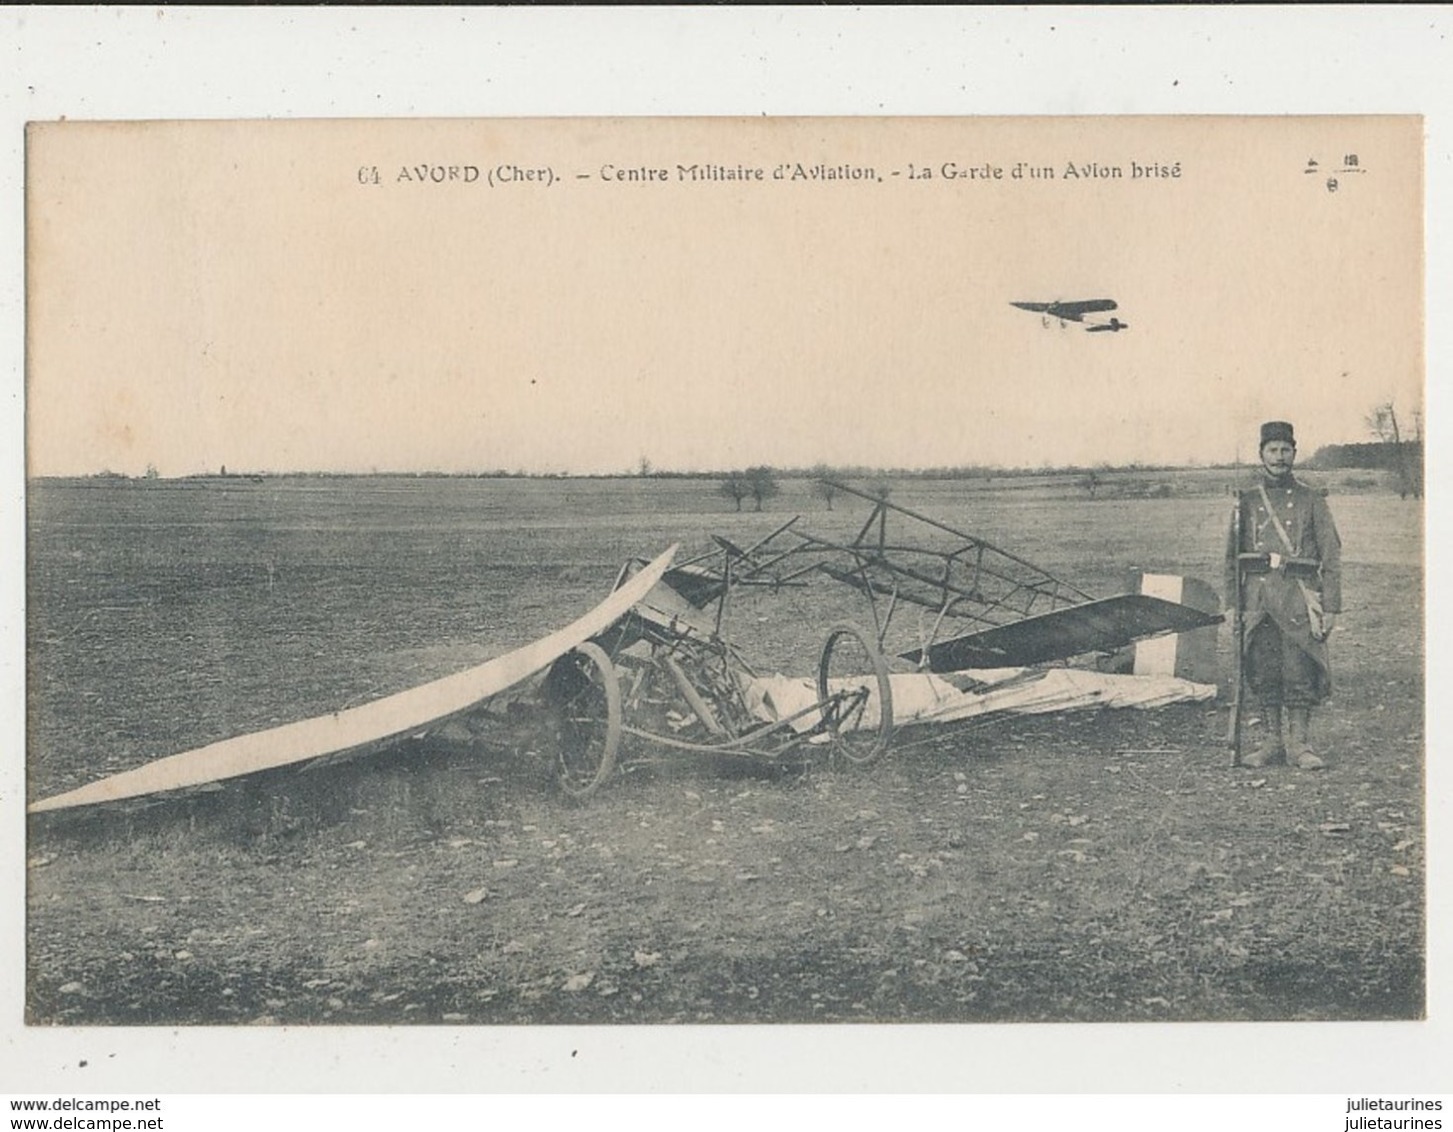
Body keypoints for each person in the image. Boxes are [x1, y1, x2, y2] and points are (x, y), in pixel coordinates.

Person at [1225, 421, 1342, 769]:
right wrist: (1233, 604)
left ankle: (1300, 745)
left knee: (1299, 669)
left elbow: (1331, 556)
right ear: (1261, 454)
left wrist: (1332, 605)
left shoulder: (1312, 499)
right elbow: (1231, 559)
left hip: (1298, 595)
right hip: (1258, 599)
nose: (1279, 457)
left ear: (1295, 452)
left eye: (1285, 450)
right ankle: (1272, 743)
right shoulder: (1244, 500)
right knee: (1262, 669)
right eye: (1272, 450)